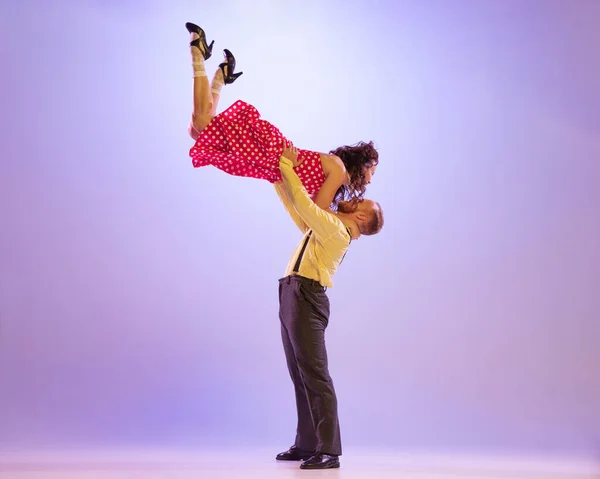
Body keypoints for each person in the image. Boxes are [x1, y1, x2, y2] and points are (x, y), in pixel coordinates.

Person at [185, 22, 378, 210]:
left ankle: (222, 76)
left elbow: (308, 210)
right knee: (202, 122)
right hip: (271, 152)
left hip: (268, 165)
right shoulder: (338, 170)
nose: (370, 181)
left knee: (197, 133)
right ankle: (197, 51)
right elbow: (319, 210)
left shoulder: (331, 182)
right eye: (372, 172)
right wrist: (349, 225)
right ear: (361, 164)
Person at [273, 142, 384, 470]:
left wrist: (288, 169)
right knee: (300, 375)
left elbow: (307, 208)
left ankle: (329, 451)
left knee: (316, 375)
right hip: (292, 293)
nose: (353, 197)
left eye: (360, 201)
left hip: (306, 298)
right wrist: (279, 180)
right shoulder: (329, 225)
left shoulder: (337, 232)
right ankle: (306, 443)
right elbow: (299, 214)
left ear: (361, 216)